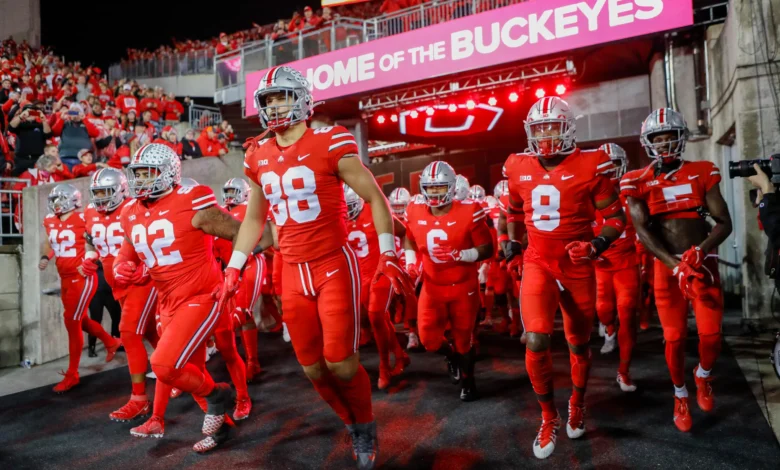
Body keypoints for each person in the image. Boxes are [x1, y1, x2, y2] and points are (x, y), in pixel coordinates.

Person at [226, 65, 414, 470]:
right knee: (311, 367)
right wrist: (234, 267)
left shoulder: (329, 141)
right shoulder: (257, 153)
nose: (275, 106)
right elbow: (255, 219)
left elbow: (375, 198)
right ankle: (352, 423)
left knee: (340, 362)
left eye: (282, 97)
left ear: (304, 101)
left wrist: (388, 252)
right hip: (292, 268)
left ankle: (365, 424)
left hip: (332, 263)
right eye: (268, 99)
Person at [500, 96, 626, 459]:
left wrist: (595, 246)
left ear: (568, 127)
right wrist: (511, 239)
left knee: (578, 344)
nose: (546, 136)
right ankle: (547, 415)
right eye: (539, 129)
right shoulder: (516, 165)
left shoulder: (592, 163)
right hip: (539, 261)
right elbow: (513, 207)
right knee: (536, 339)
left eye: (553, 127)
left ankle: (578, 401)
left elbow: (616, 219)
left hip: (578, 265)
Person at [115, 143, 243, 452]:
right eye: (138, 174)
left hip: (201, 294)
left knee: (163, 364)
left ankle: (219, 395)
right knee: (190, 369)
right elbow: (128, 251)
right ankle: (222, 426)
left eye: (148, 173)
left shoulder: (191, 199)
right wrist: (124, 267)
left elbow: (240, 231)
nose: (141, 180)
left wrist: (235, 270)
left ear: (169, 174)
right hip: (168, 299)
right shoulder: (130, 211)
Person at [621, 108, 732, 432]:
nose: (666, 143)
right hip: (668, 269)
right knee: (673, 337)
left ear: (682, 138)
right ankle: (680, 394)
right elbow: (643, 231)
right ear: (648, 142)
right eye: (659, 138)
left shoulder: (702, 171)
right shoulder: (637, 180)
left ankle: (703, 375)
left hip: (702, 263)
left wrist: (700, 251)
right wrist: (674, 265)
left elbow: (723, 223)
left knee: (711, 335)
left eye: (671, 136)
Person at [403, 161, 493, 402]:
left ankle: (468, 380)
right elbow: (409, 241)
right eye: (430, 189)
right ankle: (450, 355)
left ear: (452, 188)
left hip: (463, 286)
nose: (434, 194)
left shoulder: (469, 210)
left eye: (440, 188)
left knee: (465, 339)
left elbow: (487, 249)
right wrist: (411, 263)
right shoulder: (414, 209)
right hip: (432, 286)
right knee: (429, 340)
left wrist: (462, 255)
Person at [80, 168, 158, 422]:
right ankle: (180, 372)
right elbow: (92, 242)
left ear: (121, 189)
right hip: (117, 283)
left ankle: (139, 399)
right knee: (149, 332)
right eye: (97, 192)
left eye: (106, 191)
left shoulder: (135, 207)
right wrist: (89, 259)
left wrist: (146, 267)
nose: (101, 198)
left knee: (128, 332)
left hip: (139, 280)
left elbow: (154, 241)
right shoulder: (90, 212)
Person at [39, 183, 122, 393]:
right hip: (65, 276)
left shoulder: (83, 219)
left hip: (82, 276)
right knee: (79, 319)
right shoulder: (49, 220)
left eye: (59, 200)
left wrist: (92, 261)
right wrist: (45, 257)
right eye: (54, 201)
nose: (55, 205)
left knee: (72, 321)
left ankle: (72, 374)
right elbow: (50, 243)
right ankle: (110, 341)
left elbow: (96, 242)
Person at [344, 184, 410, 390]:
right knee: (378, 318)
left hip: (380, 271)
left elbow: (403, 232)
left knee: (375, 315)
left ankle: (384, 366)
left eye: (350, 206)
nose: (347, 211)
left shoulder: (375, 209)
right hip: (359, 276)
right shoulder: (338, 218)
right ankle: (400, 354)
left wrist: (403, 259)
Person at [592, 143, 638, 392]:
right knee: (604, 309)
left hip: (627, 262)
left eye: (614, 167)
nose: (610, 173)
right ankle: (609, 328)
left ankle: (624, 371)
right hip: (602, 263)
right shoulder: (590, 198)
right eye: (605, 168)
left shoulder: (631, 194)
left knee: (628, 310)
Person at [52, 103, 100, 170]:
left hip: (83, 159)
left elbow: (95, 134)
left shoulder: (86, 123)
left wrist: (84, 119)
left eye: (77, 110)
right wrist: (61, 119)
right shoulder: (64, 123)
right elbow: (54, 133)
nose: (74, 112)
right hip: (65, 157)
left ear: (81, 112)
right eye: (72, 110)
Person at [8, 102, 51, 175]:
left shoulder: (41, 125)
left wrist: (44, 120)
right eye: (29, 112)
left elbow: (48, 135)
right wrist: (21, 116)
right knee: (19, 182)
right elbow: (11, 127)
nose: (31, 114)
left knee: (37, 181)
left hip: (38, 159)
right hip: (21, 159)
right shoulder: (20, 125)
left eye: (33, 112)